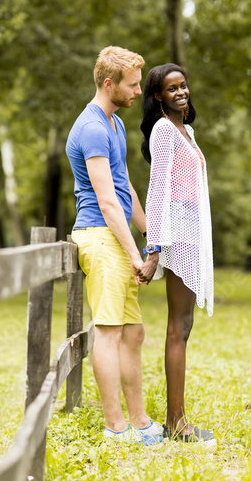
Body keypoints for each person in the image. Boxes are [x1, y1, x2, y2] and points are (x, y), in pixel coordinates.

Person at [66, 46, 162, 445]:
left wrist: (151, 235)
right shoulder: (91, 128)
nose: (139, 91)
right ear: (109, 84)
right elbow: (106, 202)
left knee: (134, 333)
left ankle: (139, 421)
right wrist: (134, 255)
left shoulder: (115, 125)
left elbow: (125, 192)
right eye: (133, 84)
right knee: (108, 332)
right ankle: (115, 428)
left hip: (117, 235)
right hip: (100, 236)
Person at [140, 63, 216, 445]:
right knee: (177, 327)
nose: (181, 92)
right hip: (177, 235)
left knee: (183, 326)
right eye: (172, 89)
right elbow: (157, 192)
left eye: (184, 86)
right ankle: (175, 424)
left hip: (191, 233)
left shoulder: (187, 131)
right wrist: (153, 249)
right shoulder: (164, 130)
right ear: (158, 96)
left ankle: (176, 420)